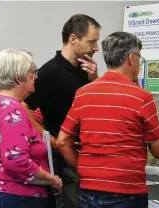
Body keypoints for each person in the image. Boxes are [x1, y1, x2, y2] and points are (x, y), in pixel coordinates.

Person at [56, 32, 159, 208]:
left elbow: (62, 141)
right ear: (131, 58)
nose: (139, 64)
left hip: (88, 191)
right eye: (140, 58)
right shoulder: (142, 97)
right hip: (127, 193)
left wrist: (84, 170)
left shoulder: (83, 93)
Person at [22, 14, 101, 208]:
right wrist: (47, 136)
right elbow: (23, 106)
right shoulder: (48, 72)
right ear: (73, 38)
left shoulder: (86, 70)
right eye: (91, 41)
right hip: (64, 161)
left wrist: (95, 80)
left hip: (89, 154)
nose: (96, 48)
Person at [0, 49, 62, 208]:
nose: (36, 77)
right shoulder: (12, 109)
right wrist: (52, 179)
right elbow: (16, 161)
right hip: (17, 197)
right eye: (32, 72)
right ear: (18, 77)